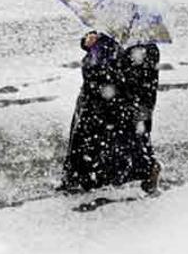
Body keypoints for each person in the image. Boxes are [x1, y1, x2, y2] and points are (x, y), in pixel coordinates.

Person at [58, 31, 135, 192]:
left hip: (99, 106)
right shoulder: (105, 40)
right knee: (86, 142)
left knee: (90, 143)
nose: (91, 35)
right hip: (90, 103)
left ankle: (86, 178)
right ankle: (84, 177)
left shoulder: (114, 49)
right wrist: (87, 43)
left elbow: (106, 76)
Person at [119, 42, 162, 193]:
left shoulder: (146, 50)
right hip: (138, 102)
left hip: (139, 102)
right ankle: (146, 167)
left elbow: (138, 79)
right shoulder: (139, 48)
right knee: (137, 134)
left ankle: (149, 168)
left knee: (138, 134)